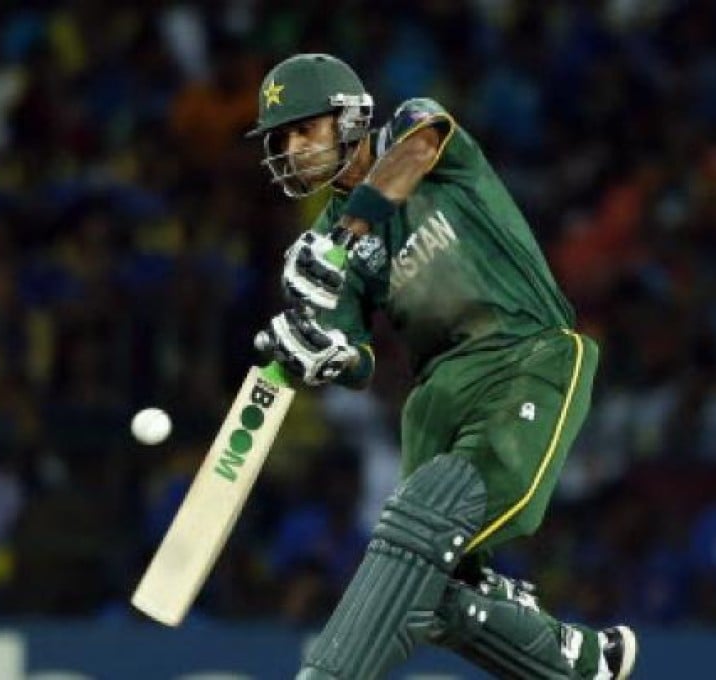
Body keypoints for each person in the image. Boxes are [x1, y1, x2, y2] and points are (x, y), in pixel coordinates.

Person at [248, 53, 637, 680]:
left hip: (525, 355)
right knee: (428, 595)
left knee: (427, 518)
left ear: (347, 119)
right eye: (280, 139)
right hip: (435, 402)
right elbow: (357, 359)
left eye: (303, 130)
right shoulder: (322, 242)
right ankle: (582, 663)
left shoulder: (410, 127)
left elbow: (420, 151)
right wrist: (321, 353)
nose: (291, 150)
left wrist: (342, 240)